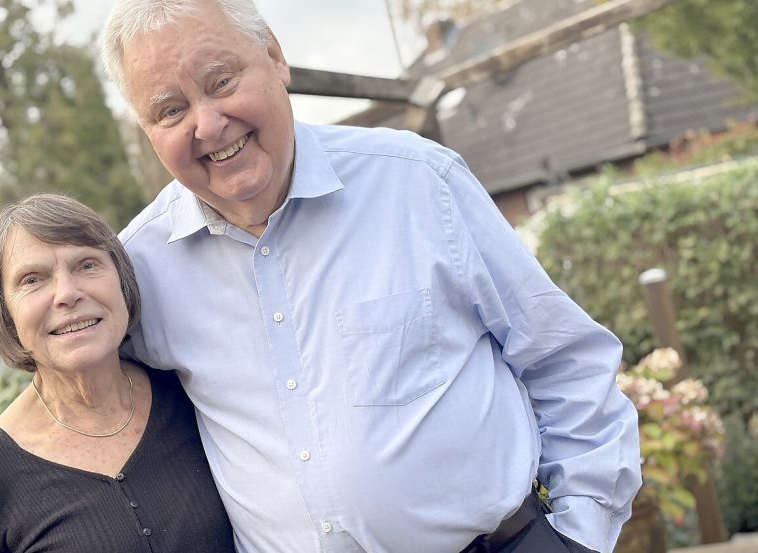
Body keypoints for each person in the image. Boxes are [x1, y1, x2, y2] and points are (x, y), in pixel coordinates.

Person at [102, 1, 641, 552]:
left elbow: (564, 362)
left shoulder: (419, 183)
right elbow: (80, 408)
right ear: (144, 128)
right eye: (170, 111)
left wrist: (578, 534)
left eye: (221, 81)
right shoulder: (138, 270)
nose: (209, 124)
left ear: (274, 57)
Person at [0, 194, 234, 552]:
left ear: (122, 283)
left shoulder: (191, 394)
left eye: (87, 265)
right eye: (32, 279)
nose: (66, 293)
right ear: (7, 314)